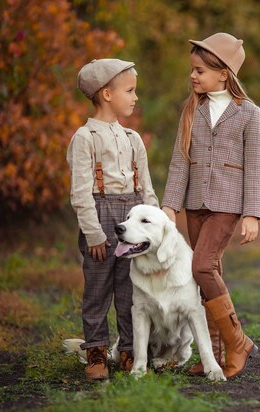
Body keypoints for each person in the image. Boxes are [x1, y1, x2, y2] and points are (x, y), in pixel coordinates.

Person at [161, 32, 260, 379]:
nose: (193, 76)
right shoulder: (193, 109)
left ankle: (238, 341)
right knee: (210, 275)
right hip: (194, 204)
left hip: (227, 204)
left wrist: (252, 213)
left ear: (224, 74)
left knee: (201, 267)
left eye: (200, 71)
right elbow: (180, 161)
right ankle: (215, 356)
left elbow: (255, 167)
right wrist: (170, 206)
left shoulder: (248, 113)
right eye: (192, 69)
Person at [67, 58, 159, 380]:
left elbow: (146, 189)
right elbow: (80, 193)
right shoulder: (85, 137)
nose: (135, 98)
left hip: (133, 214)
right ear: (107, 94)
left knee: (130, 289)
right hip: (101, 215)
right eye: (130, 91)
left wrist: (155, 227)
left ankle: (130, 350)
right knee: (97, 288)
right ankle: (95, 351)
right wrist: (94, 234)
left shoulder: (133, 139)